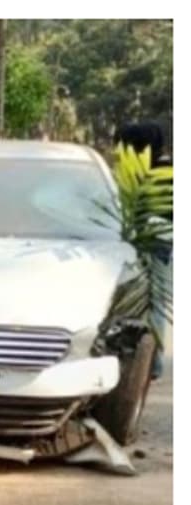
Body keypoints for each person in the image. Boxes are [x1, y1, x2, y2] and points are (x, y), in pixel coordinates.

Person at [114, 123, 173, 380]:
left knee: (129, 301)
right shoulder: (170, 170)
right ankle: (153, 364)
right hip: (163, 241)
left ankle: (134, 361)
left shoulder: (135, 172)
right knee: (155, 304)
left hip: (139, 241)